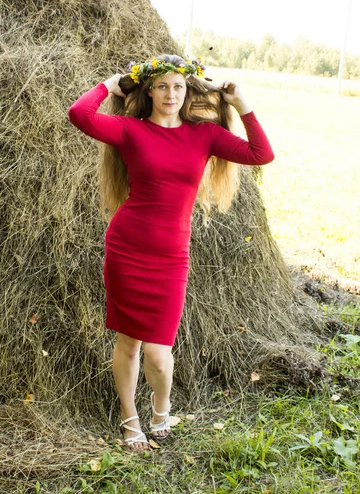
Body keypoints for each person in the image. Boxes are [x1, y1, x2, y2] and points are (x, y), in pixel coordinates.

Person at [68, 54, 274, 452]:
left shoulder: (204, 136)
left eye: (178, 86)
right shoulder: (130, 130)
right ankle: (130, 421)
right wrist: (111, 85)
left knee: (160, 355)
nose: (170, 93)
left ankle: (160, 409)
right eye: (161, 85)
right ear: (149, 90)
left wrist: (240, 103)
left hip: (171, 257)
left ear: (188, 91)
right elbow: (79, 114)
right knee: (128, 345)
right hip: (128, 248)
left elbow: (260, 154)